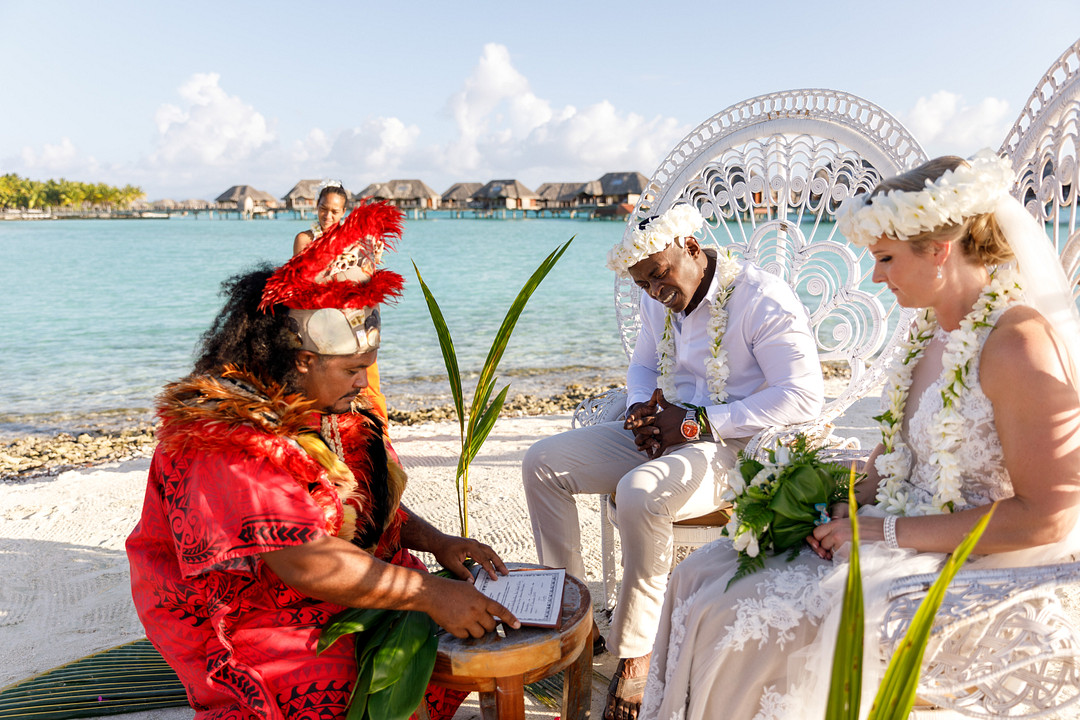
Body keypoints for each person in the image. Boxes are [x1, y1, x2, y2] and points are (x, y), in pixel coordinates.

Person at [642, 152, 1080, 720]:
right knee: (698, 572)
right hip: (898, 528)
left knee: (739, 611)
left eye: (886, 259)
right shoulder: (930, 334)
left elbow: (1047, 517)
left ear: (939, 250)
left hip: (969, 562)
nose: (877, 277)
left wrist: (882, 531)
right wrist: (802, 499)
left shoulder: (1017, 344)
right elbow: (896, 461)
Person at [127, 200, 519, 720]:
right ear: (302, 360)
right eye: (353, 369)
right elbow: (302, 560)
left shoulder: (331, 408)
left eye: (368, 368)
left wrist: (438, 544)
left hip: (328, 572)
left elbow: (367, 507)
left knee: (433, 636)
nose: (363, 383)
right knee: (322, 684)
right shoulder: (229, 437)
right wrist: (428, 592)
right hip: (245, 602)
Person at [522, 203, 825, 720]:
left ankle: (636, 656)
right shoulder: (655, 298)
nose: (655, 293)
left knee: (641, 492)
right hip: (667, 431)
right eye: (642, 285)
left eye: (660, 277)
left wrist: (696, 423)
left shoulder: (760, 298)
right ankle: (575, 622)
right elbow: (642, 364)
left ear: (688, 246)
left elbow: (802, 397)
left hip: (735, 445)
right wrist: (643, 406)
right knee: (542, 463)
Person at [292, 180, 389, 424]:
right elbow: (303, 281)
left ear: (343, 212)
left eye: (334, 211)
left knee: (369, 385)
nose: (328, 215)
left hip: (356, 322)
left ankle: (382, 442)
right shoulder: (305, 239)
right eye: (324, 209)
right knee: (327, 390)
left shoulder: (356, 240)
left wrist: (372, 257)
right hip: (323, 325)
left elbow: (368, 277)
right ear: (317, 207)